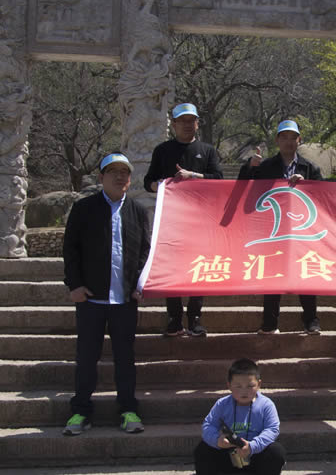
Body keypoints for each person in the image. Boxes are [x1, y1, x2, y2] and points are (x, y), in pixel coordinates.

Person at [62, 153, 150, 436]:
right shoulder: (84, 208)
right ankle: (80, 411)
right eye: (113, 171)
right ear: (101, 177)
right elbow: (70, 249)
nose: (119, 176)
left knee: (125, 358)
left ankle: (128, 410)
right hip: (91, 299)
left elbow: (145, 251)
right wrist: (74, 285)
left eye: (124, 172)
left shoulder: (138, 211)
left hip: (124, 301)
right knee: (87, 358)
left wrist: (140, 284)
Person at [144, 103, 224, 337]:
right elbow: (148, 182)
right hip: (172, 219)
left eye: (191, 121)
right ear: (174, 124)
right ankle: (174, 318)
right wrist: (163, 185)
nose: (187, 125)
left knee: (198, 266)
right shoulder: (162, 150)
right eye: (182, 121)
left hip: (201, 219)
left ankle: (195, 318)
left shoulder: (207, 150)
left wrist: (193, 176)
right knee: (172, 267)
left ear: (197, 123)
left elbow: (218, 179)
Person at [238, 120, 323, 335]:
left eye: (293, 137)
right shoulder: (266, 167)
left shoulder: (309, 168)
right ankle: (269, 322)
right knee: (272, 275)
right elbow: (242, 186)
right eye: (284, 137)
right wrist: (250, 167)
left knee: (305, 274)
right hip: (273, 230)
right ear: (277, 140)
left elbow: (323, 195)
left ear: (299, 140)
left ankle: (311, 320)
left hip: (302, 232)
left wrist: (307, 185)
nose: (288, 141)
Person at [194, 359, 285, 475]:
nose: (244, 391)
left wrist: (252, 446)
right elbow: (208, 425)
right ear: (229, 386)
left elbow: (272, 429)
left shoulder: (266, 405)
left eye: (250, 386)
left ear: (259, 385)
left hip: (255, 453)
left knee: (276, 451)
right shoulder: (222, 404)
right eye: (238, 386)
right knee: (202, 449)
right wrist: (218, 441)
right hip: (228, 453)